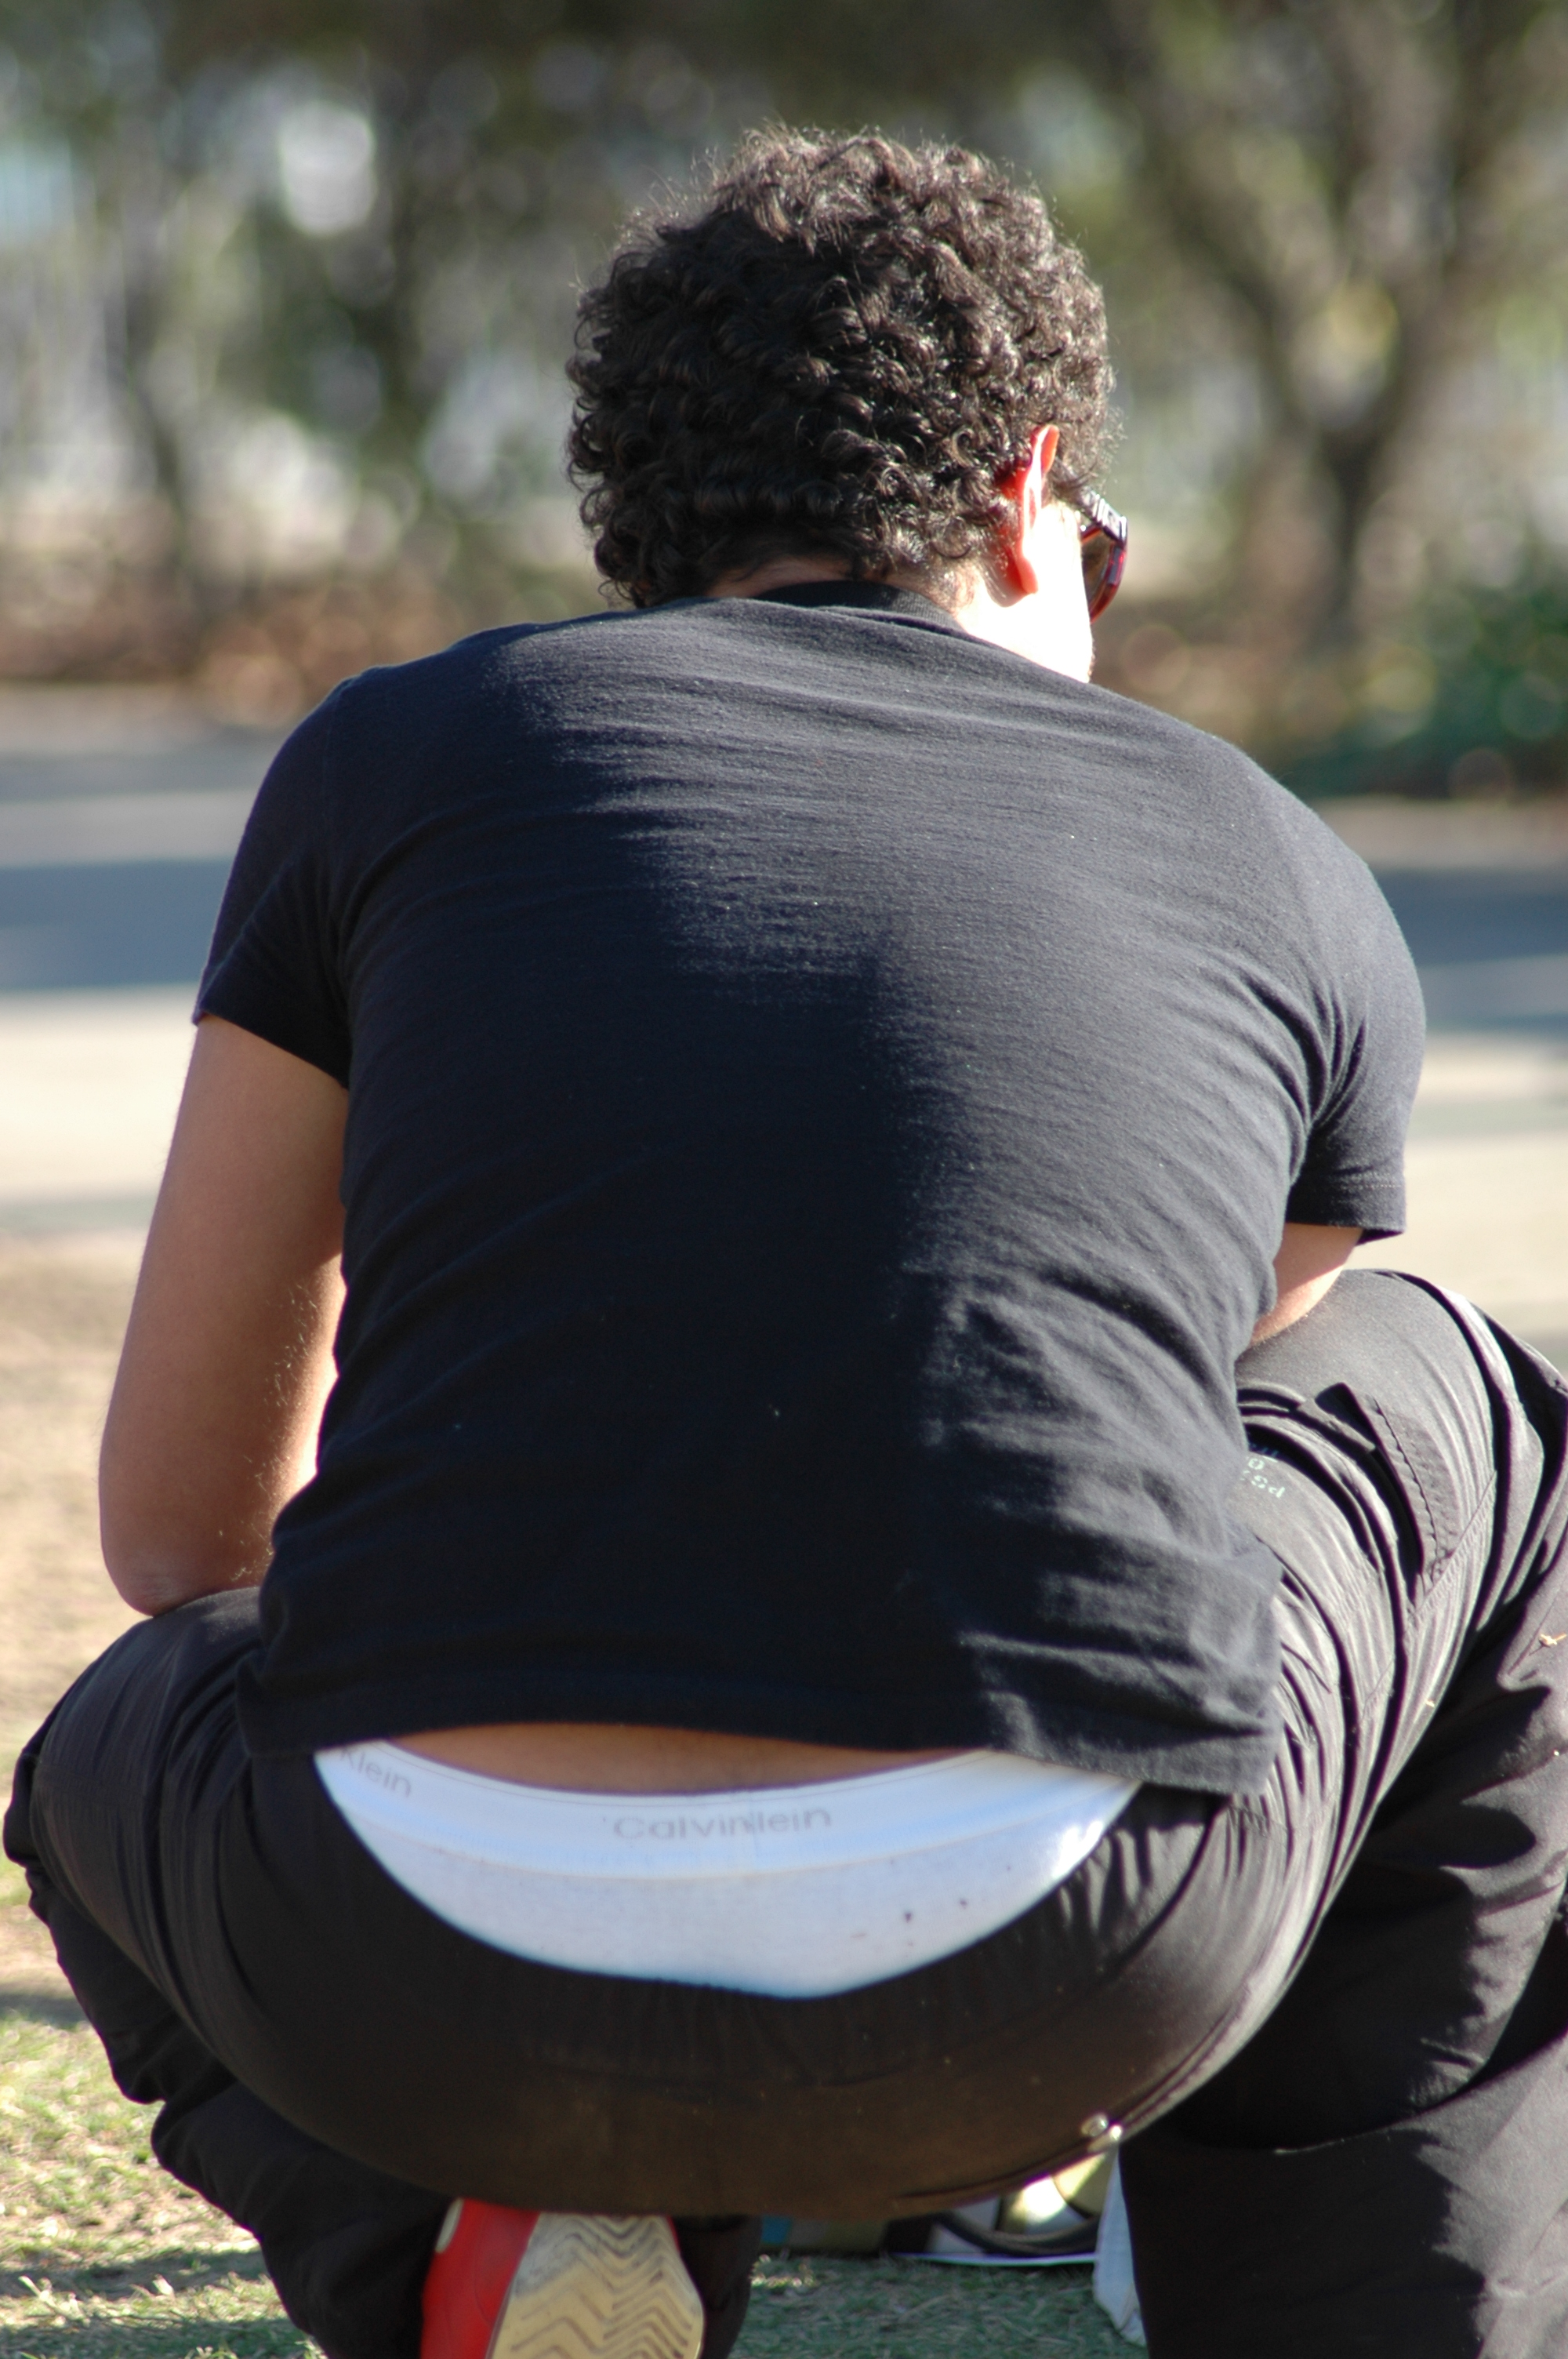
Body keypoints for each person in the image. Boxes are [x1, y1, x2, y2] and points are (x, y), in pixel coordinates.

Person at [7, 128, 1568, 2359]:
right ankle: (1346, 2297)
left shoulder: (395, 762)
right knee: (1471, 1403)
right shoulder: (1268, 849)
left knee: (110, 1741)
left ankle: (468, 2238)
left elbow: (183, 1537)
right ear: (1030, 494)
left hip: (408, 1965)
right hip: (1082, 1961)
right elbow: (1200, 1434)